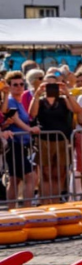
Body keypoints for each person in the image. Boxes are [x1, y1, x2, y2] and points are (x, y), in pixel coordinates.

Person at [29, 70, 78, 200]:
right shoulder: (39, 100)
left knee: (60, 172)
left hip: (61, 139)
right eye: (48, 84)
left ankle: (56, 199)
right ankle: (45, 200)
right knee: (45, 173)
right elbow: (32, 114)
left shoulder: (63, 100)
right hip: (44, 140)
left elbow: (76, 110)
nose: (51, 87)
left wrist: (67, 92)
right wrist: (37, 93)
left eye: (54, 84)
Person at [1, 71, 39, 204]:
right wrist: (30, 130)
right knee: (31, 176)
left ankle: (12, 209)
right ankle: (27, 207)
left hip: (21, 144)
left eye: (21, 84)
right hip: (14, 144)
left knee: (14, 178)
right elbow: (15, 119)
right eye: (15, 84)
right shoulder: (11, 100)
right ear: (9, 87)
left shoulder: (20, 101)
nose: (19, 87)